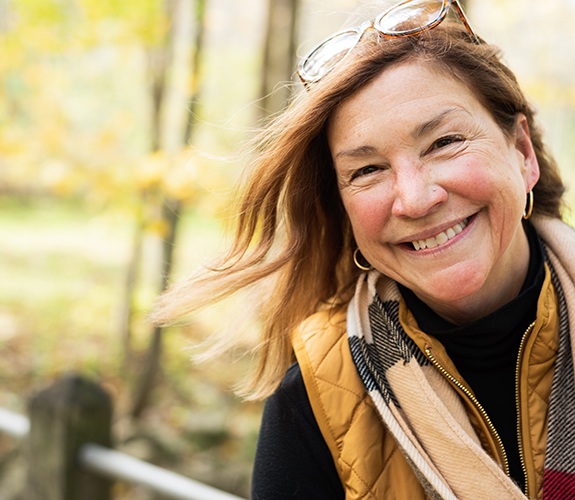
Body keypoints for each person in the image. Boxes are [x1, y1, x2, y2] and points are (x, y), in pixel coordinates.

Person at [153, 0, 575, 498]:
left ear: (522, 153)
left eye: (444, 142)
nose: (415, 199)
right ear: (345, 213)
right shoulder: (315, 397)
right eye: (367, 170)